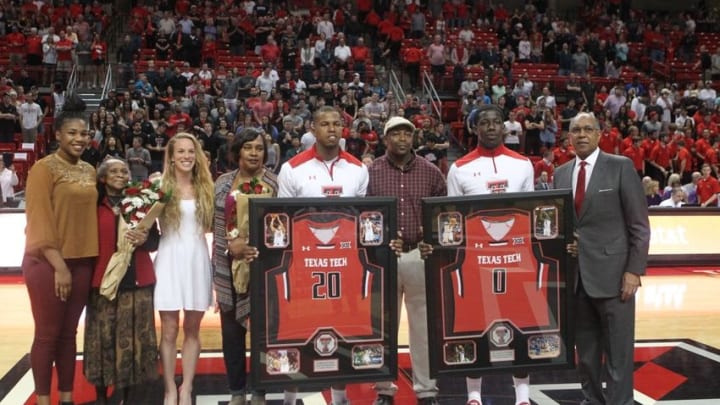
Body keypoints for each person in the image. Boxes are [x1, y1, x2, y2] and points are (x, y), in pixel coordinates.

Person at [554, 112, 650, 405]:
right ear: (569, 137)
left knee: (619, 351)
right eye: (575, 130)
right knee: (586, 353)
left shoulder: (620, 167)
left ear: (598, 134)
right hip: (576, 277)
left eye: (587, 129)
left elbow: (639, 226)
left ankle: (620, 402)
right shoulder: (560, 173)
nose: (581, 135)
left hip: (615, 275)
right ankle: (592, 400)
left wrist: (634, 271)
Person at [277, 106, 368, 405]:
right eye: (325, 124)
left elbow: (363, 218)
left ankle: (339, 396)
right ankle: (290, 396)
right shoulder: (292, 168)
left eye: (337, 124)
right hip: (303, 265)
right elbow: (283, 220)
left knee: (344, 327)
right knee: (297, 328)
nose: (332, 129)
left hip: (345, 264)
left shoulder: (358, 169)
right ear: (312, 129)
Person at [446, 104, 534, 405]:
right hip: (475, 260)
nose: (492, 127)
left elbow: (531, 213)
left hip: (516, 257)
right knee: (476, 323)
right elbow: (452, 217)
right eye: (485, 122)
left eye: (497, 122)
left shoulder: (523, 164)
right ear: (475, 128)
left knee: (521, 321)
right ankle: (474, 394)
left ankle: (522, 395)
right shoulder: (459, 168)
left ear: (505, 127)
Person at [22, 96, 97, 405]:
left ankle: (66, 398)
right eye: (73, 133)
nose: (79, 139)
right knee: (47, 334)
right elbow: (39, 220)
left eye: (84, 134)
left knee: (69, 335)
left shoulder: (90, 170)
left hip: (83, 262)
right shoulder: (43, 169)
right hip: (47, 263)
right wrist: (60, 267)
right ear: (58, 135)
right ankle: (42, 399)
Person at [368, 116, 446, 405]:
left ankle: (426, 390)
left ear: (413, 138)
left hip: (418, 255)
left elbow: (443, 213)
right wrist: (382, 238)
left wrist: (432, 238)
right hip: (383, 258)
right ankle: (384, 389)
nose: (402, 139)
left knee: (424, 327)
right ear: (385, 139)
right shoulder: (372, 172)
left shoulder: (431, 172)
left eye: (407, 134)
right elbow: (363, 215)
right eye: (395, 134)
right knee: (382, 327)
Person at [84, 158, 160, 405]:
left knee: (134, 345)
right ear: (103, 178)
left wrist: (144, 237)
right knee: (102, 340)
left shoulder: (142, 203)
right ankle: (101, 397)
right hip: (103, 284)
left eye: (124, 171)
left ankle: (128, 397)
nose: (120, 174)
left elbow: (154, 243)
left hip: (138, 282)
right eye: (113, 171)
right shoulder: (93, 205)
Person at [213, 129, 279, 405]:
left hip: (264, 266)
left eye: (259, 148)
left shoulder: (274, 183)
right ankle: (237, 391)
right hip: (228, 265)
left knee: (264, 333)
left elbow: (282, 224)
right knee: (231, 332)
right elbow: (218, 223)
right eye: (248, 148)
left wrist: (255, 248)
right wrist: (232, 245)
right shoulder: (223, 183)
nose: (254, 153)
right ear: (237, 151)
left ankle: (260, 391)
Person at [154, 132, 215, 405]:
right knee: (168, 330)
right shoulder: (157, 184)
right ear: (171, 156)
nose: (186, 156)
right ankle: (169, 388)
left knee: (192, 329)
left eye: (191, 151)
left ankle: (186, 387)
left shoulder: (207, 187)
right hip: (168, 259)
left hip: (197, 259)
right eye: (181, 152)